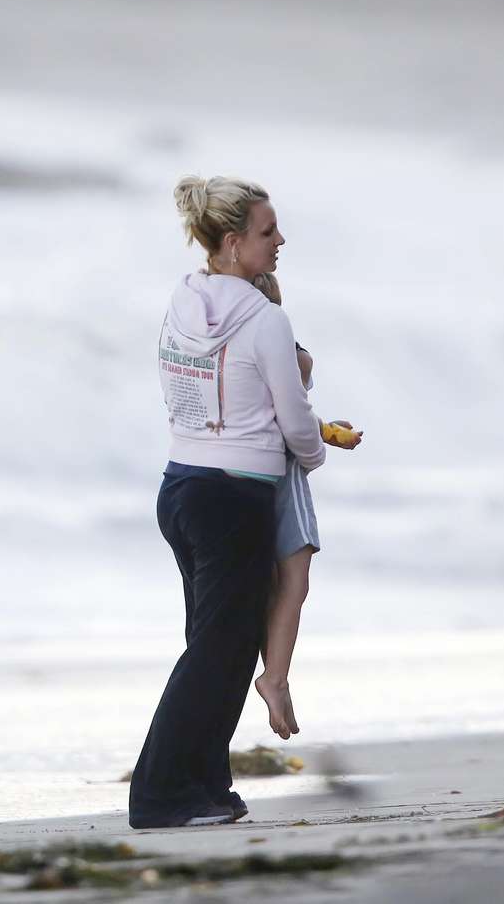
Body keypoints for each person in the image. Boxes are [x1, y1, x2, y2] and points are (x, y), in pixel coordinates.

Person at [129, 175, 326, 830]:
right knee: (217, 650)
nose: (280, 242)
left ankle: (208, 786)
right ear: (234, 241)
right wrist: (315, 450)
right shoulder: (268, 320)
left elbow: (186, 391)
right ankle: (159, 795)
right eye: (269, 233)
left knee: (222, 645)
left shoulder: (182, 302)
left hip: (182, 488)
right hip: (233, 498)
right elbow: (296, 422)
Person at [248, 271, 363, 741]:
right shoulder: (295, 353)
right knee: (294, 582)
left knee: (267, 587)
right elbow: (291, 410)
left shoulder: (225, 352)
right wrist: (327, 434)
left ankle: (271, 673)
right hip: (285, 477)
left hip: (241, 475)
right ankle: (274, 677)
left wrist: (322, 426)